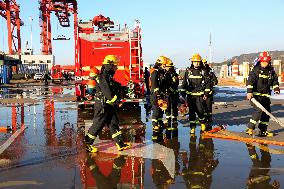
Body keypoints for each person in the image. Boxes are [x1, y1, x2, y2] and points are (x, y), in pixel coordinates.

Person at [85, 55, 131, 153]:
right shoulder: (103, 76)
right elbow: (107, 92)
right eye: (115, 66)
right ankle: (88, 144)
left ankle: (120, 144)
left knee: (113, 123)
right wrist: (117, 101)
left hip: (108, 105)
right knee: (98, 125)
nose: (116, 68)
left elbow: (111, 88)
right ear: (110, 65)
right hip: (102, 105)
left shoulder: (108, 76)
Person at [246, 51, 280, 137]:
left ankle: (263, 130)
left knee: (266, 113)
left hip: (265, 98)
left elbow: (275, 80)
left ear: (269, 62)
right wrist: (249, 92)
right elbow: (250, 81)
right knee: (259, 110)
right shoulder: (255, 70)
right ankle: (250, 128)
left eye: (266, 62)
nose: (264, 63)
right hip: (255, 97)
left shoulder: (271, 71)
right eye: (263, 61)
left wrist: (276, 88)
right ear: (260, 61)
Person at [181, 53, 211, 134]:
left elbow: (208, 83)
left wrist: (206, 94)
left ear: (200, 62)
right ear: (192, 62)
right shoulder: (188, 71)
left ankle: (202, 124)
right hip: (190, 96)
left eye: (198, 62)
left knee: (200, 111)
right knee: (191, 113)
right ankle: (192, 128)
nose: (196, 63)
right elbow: (184, 83)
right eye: (195, 62)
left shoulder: (203, 71)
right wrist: (182, 95)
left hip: (200, 96)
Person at [150, 56, 168, 141]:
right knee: (156, 110)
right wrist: (158, 97)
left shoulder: (161, 73)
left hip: (160, 94)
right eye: (164, 65)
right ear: (160, 64)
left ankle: (160, 123)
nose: (165, 66)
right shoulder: (155, 72)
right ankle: (155, 125)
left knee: (160, 111)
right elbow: (155, 85)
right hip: (155, 95)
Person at [164, 58, 180, 135]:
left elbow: (174, 85)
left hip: (173, 94)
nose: (166, 67)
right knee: (167, 107)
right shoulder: (166, 73)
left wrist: (169, 90)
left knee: (174, 107)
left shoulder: (174, 74)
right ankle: (168, 119)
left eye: (167, 66)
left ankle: (174, 119)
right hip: (168, 94)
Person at [202, 59, 218, 124]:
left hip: (209, 92)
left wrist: (211, 84)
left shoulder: (210, 72)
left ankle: (209, 118)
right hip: (201, 92)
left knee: (208, 106)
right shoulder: (199, 71)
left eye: (204, 63)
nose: (203, 64)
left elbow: (215, 81)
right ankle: (204, 119)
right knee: (203, 106)